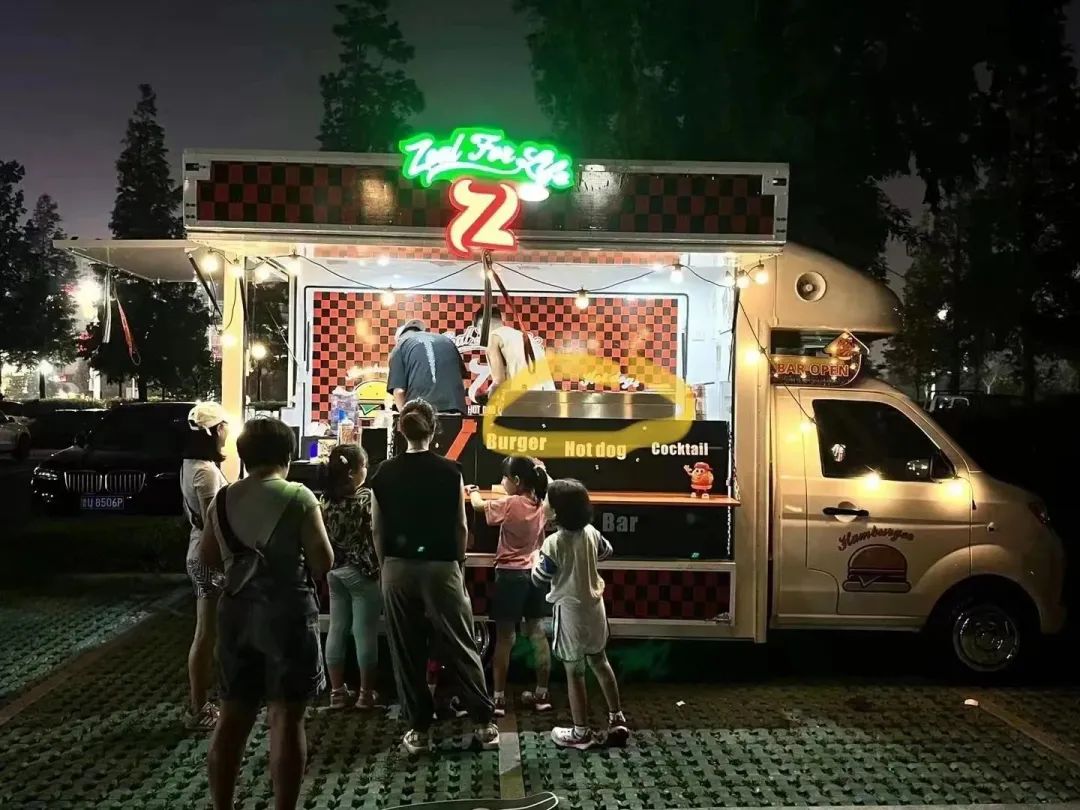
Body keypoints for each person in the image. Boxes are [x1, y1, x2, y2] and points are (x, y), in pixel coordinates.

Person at [199, 417, 333, 810]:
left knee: (232, 717)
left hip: (235, 614)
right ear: (287, 456)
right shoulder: (299, 496)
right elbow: (323, 561)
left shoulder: (223, 498)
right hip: (288, 617)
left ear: (244, 456)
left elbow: (207, 557)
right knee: (286, 718)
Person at [370, 398, 497, 754]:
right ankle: (484, 725)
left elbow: (377, 529)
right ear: (434, 429)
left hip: (397, 567)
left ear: (400, 430)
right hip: (442, 568)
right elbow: (460, 525)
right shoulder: (451, 472)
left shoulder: (382, 474)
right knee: (461, 644)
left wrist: (384, 567)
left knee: (406, 650)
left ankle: (419, 730)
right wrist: (459, 563)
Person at [532, 479, 628, 750]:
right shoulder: (591, 532)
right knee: (600, 661)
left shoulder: (553, 543)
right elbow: (607, 551)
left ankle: (580, 732)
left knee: (574, 671)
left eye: (547, 501)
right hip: (595, 608)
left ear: (556, 512)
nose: (543, 504)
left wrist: (534, 561)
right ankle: (617, 718)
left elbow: (540, 578)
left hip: (569, 612)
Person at [468, 456, 552, 717]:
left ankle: (499, 698)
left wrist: (472, 492)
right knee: (537, 632)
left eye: (505, 477)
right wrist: (541, 470)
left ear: (516, 480)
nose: (502, 481)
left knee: (505, 638)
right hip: (536, 573)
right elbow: (550, 487)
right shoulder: (542, 503)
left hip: (509, 575)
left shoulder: (510, 503)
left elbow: (479, 507)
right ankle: (541, 694)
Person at [320, 444, 381, 710]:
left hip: (335, 571)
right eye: (364, 466)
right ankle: (365, 695)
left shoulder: (325, 499)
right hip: (363, 572)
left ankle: (336, 692)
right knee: (364, 632)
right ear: (354, 472)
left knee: (337, 628)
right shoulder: (367, 498)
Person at [181, 401, 229, 731]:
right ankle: (199, 707)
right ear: (216, 430)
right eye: (225, 426)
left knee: (209, 631)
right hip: (208, 558)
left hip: (197, 551)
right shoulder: (206, 472)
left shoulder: (191, 464)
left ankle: (205, 702)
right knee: (206, 632)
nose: (228, 432)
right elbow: (216, 524)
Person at [387, 318, 468, 414]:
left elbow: (399, 391)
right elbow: (462, 380)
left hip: (421, 412)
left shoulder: (400, 346)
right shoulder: (446, 340)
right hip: (455, 410)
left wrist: (404, 416)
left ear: (399, 338)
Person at [474, 305, 556, 392]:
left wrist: (484, 396)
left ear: (481, 326)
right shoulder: (526, 337)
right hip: (548, 394)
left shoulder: (493, 338)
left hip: (523, 396)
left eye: (478, 332)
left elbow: (499, 382)